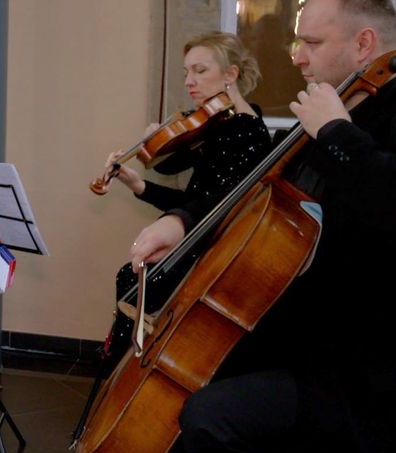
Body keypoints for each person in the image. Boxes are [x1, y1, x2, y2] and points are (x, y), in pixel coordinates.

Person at [134, 0, 396, 453]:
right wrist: (180, 220)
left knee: (211, 417)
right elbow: (254, 195)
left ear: (364, 44)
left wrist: (338, 134)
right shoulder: (325, 116)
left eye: (311, 43)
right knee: (174, 397)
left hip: (377, 372)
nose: (297, 57)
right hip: (309, 337)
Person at [97, 32, 271, 365]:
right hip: (199, 241)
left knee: (134, 278)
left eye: (200, 71)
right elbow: (195, 200)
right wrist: (138, 185)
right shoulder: (221, 124)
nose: (189, 82)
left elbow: (217, 209)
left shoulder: (245, 131)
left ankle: (125, 372)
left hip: (214, 256)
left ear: (231, 74)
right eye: (187, 72)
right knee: (132, 276)